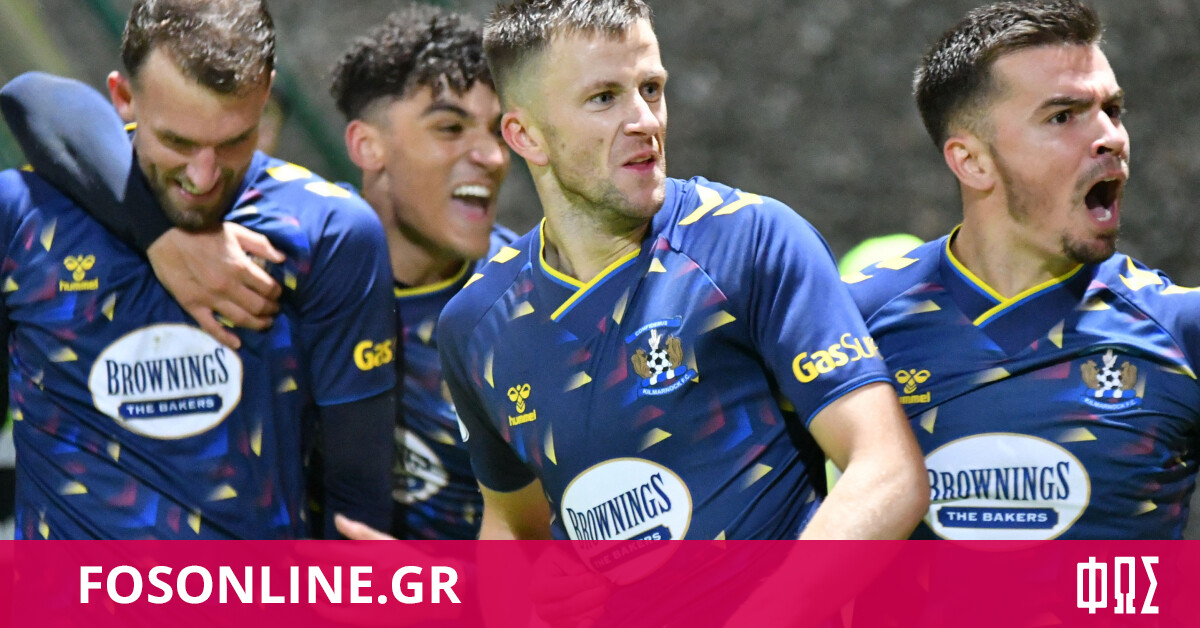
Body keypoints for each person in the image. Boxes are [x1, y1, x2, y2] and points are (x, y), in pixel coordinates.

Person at [343, 0, 926, 545]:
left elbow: (888, 472)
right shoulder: (477, 323)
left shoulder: (748, 240)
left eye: (651, 89)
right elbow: (515, 533)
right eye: (604, 98)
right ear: (526, 136)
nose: (645, 120)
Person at [0, 0, 395, 538]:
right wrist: (158, 235)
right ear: (123, 98)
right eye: (177, 142)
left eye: (233, 141)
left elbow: (358, 506)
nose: (203, 177)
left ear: (265, 94)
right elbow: (28, 94)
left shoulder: (328, 232)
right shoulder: (25, 215)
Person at [846, 0, 1200, 540]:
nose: (1111, 137)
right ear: (972, 161)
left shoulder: (1182, 331)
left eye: (1112, 110)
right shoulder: (851, 324)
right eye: (1063, 116)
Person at [328, 4, 513, 539]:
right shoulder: (293, 258)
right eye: (450, 127)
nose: (493, 157)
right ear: (368, 146)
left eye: (497, 131)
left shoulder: (529, 307)